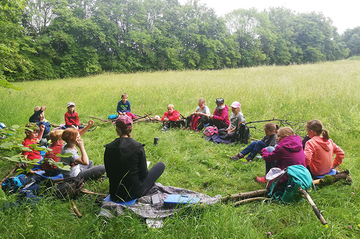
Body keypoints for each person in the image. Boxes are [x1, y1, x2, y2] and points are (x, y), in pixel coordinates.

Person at [104, 115, 165, 202]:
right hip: (134, 193)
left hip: (115, 193)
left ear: (117, 129)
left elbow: (109, 173)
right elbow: (144, 174)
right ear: (130, 128)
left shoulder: (109, 147)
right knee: (160, 165)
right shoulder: (138, 147)